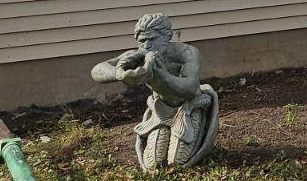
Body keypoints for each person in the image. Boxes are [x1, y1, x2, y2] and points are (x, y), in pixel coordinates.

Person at [91, 12, 219, 170]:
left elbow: (190, 89)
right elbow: (97, 70)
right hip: (161, 109)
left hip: (187, 106)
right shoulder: (138, 56)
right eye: (142, 41)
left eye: (152, 39)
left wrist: (162, 75)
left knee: (178, 161)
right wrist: (118, 74)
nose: (146, 46)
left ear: (167, 36)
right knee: (153, 164)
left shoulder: (187, 53)